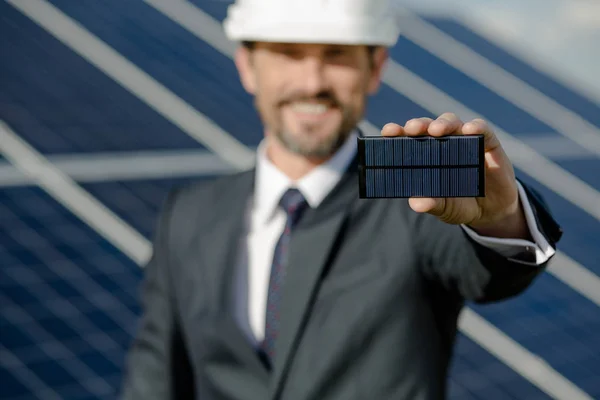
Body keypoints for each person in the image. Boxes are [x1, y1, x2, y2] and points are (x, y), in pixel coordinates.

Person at [120, 0, 562, 399]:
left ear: (376, 68)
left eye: (337, 55)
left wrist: (501, 217)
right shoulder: (188, 215)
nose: (312, 82)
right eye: (288, 54)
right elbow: (154, 377)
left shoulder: (419, 201)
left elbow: (492, 273)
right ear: (248, 67)